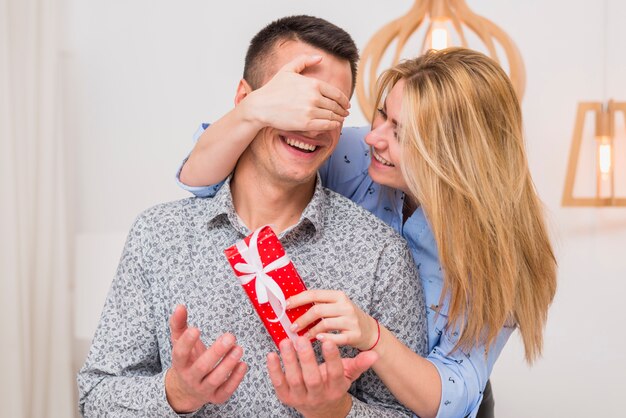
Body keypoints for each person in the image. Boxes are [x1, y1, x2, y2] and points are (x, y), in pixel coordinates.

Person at [177, 47, 558, 418]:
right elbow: (204, 179)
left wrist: (371, 333)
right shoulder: (356, 154)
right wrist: (255, 108)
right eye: (382, 115)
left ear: (454, 158)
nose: (375, 138)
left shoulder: (501, 256)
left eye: (403, 136)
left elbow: (448, 402)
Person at [77, 15, 428, 418]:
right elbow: (95, 399)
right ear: (247, 100)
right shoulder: (158, 237)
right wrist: (174, 393)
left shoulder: (380, 255)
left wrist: (335, 410)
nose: (310, 124)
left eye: (329, 108)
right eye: (296, 101)